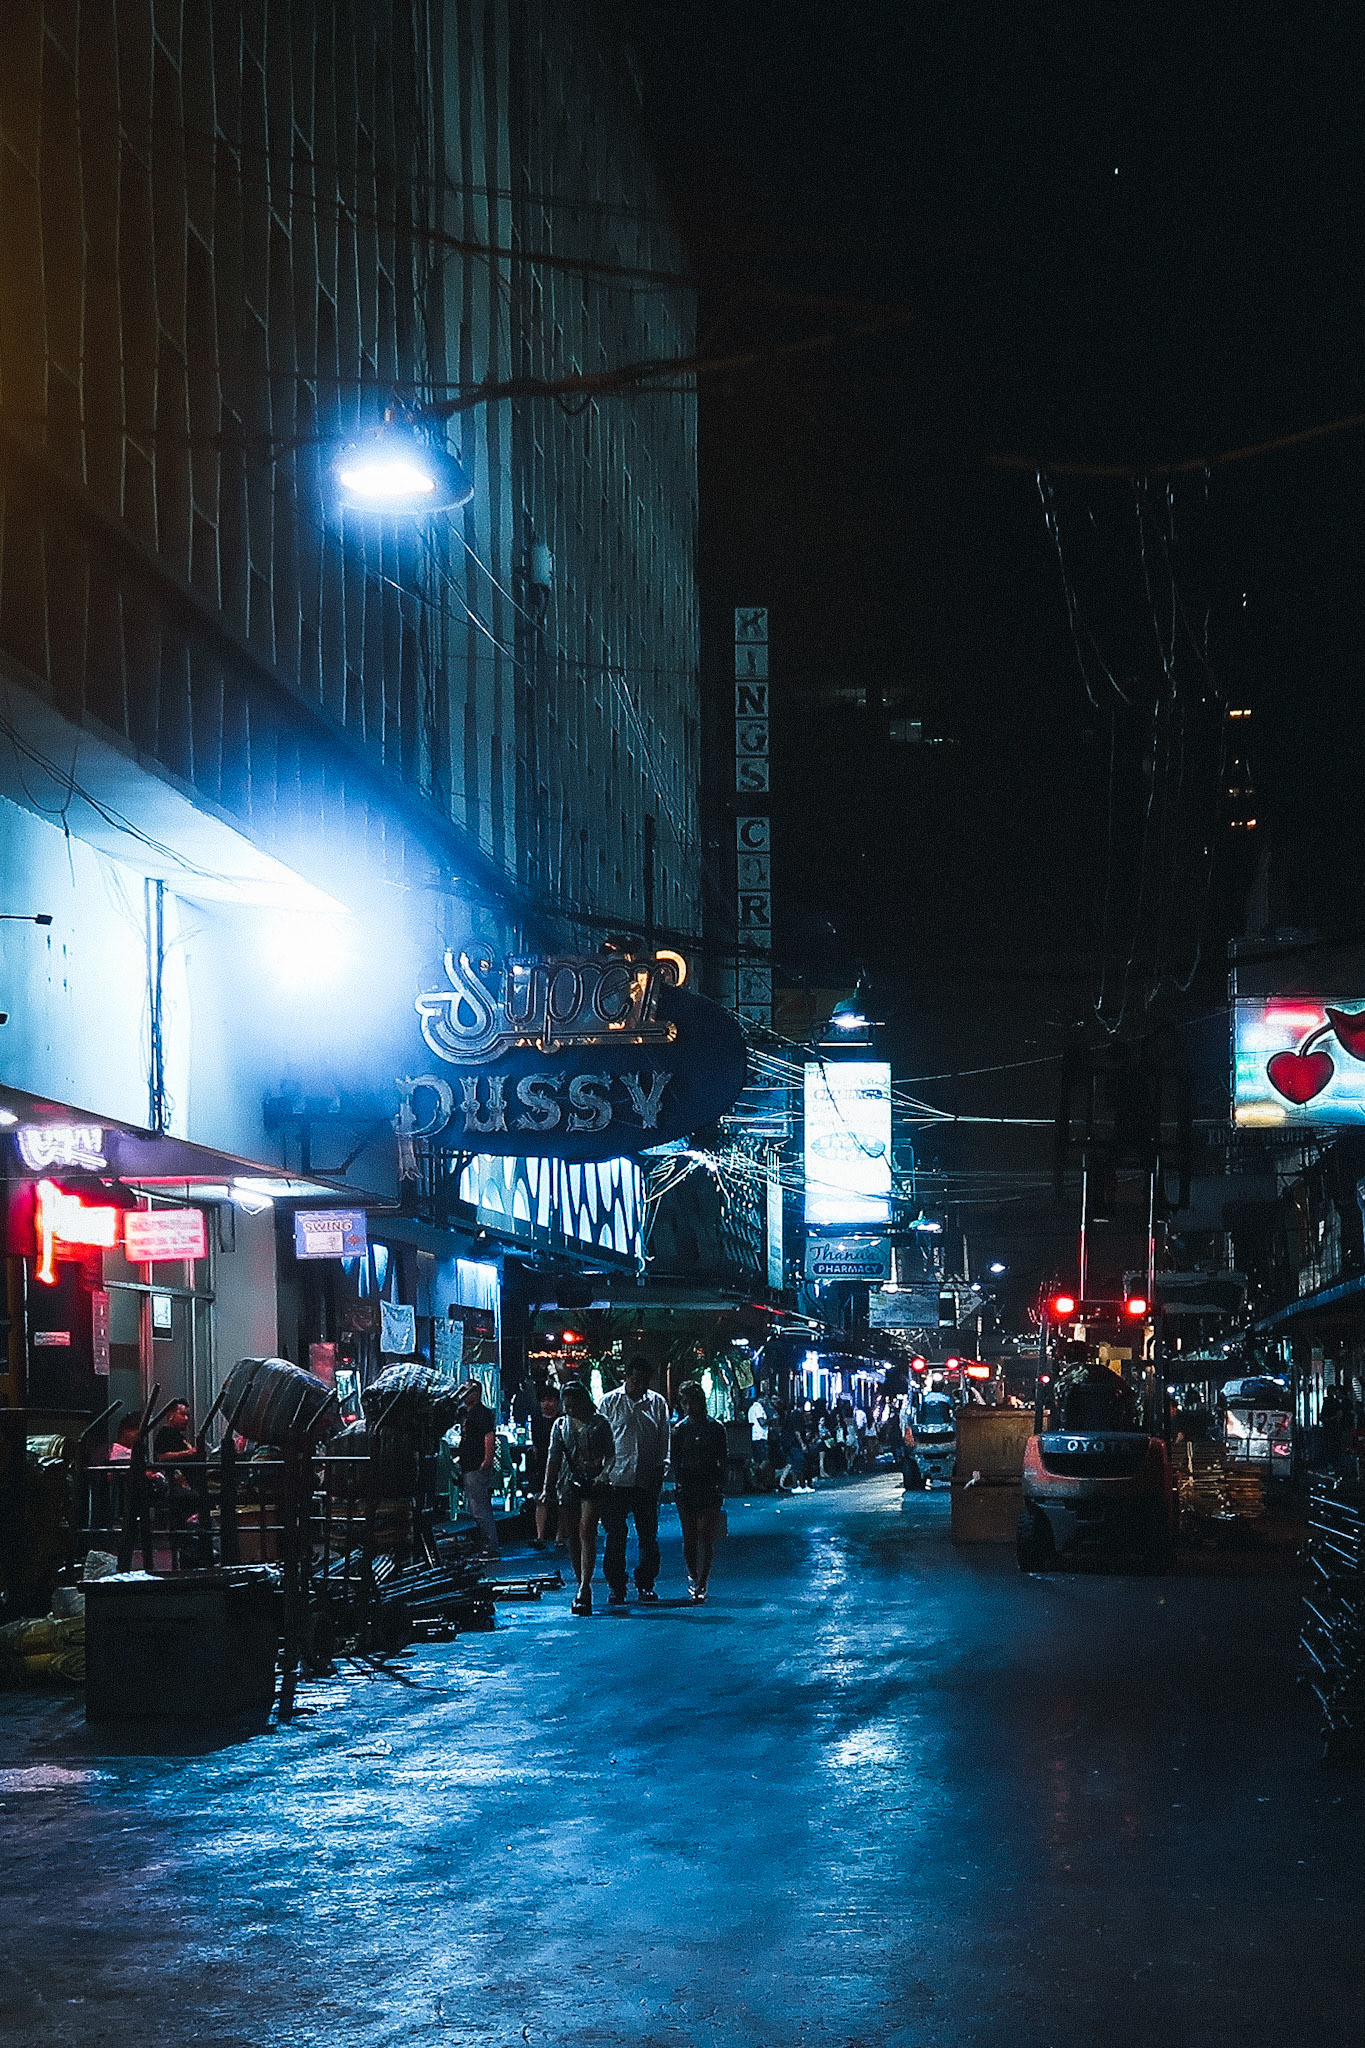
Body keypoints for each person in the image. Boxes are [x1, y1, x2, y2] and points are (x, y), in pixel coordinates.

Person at [599, 1355, 670, 1604]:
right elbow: (601, 1439)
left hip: (646, 1479)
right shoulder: (610, 1402)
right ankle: (616, 1585)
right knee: (615, 1536)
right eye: (635, 1381)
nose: (639, 1386)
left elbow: (663, 1439)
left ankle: (645, 1583)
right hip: (616, 1479)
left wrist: (661, 1469)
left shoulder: (657, 1403)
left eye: (644, 1382)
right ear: (627, 1378)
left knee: (648, 1535)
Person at [541, 1380, 615, 1615]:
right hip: (567, 1484)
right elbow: (553, 1457)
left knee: (587, 1530)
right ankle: (580, 1580)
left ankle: (585, 1586)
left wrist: (603, 1475)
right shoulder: (560, 1425)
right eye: (567, 1405)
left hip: (592, 1483)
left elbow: (611, 1454)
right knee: (573, 1536)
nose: (570, 1409)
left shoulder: (599, 1423)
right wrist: (547, 1487)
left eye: (574, 1404)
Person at [672, 1380, 727, 1601]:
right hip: (688, 1486)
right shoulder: (679, 1430)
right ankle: (695, 1577)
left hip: (708, 1485)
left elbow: (722, 1457)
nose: (688, 1407)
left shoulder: (715, 1428)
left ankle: (702, 1580)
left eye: (691, 1402)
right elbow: (675, 1461)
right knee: (690, 1536)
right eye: (684, 1403)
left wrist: (720, 1485)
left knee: (705, 1534)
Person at [456, 1378, 500, 1559]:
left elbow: (489, 1436)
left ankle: (490, 1545)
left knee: (480, 1507)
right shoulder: (466, 1413)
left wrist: (487, 1460)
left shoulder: (481, 1413)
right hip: (469, 1464)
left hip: (476, 1464)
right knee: (475, 1507)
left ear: (477, 1394)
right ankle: (483, 1543)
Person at [527, 1388, 562, 1550]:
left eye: (551, 1400)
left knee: (561, 1500)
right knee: (540, 1498)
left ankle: (559, 1536)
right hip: (541, 1462)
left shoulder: (561, 1420)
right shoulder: (536, 1419)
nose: (547, 1404)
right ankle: (540, 1535)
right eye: (544, 1400)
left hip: (560, 1462)